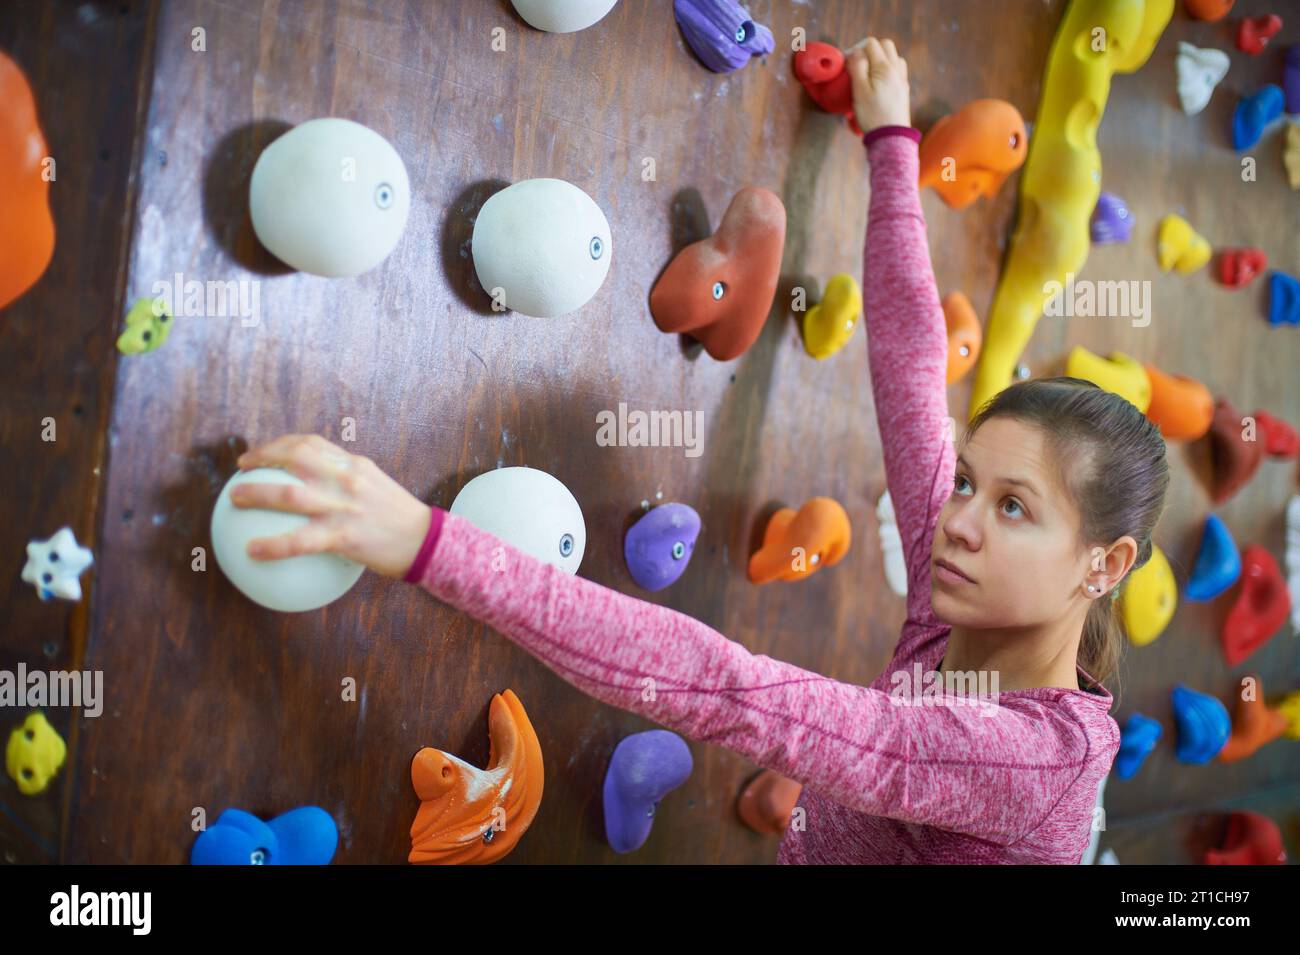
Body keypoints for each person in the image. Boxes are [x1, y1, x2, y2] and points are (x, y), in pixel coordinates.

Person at [229, 38, 1169, 863]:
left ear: (1106, 562)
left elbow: (734, 693)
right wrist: (891, 142)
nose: (955, 520)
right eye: (968, 480)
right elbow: (914, 370)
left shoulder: (1031, 760)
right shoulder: (975, 582)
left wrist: (425, 542)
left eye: (1014, 506)